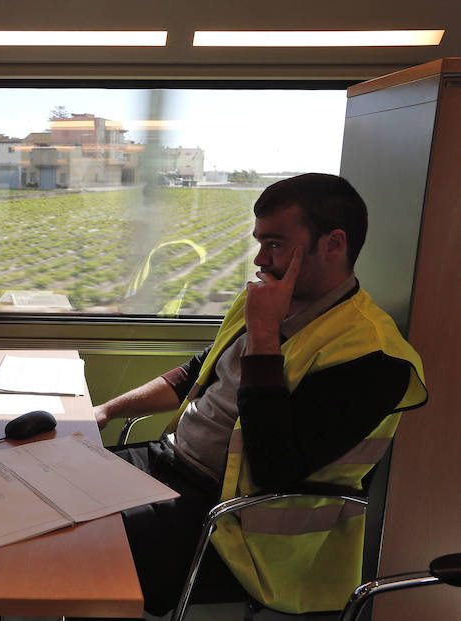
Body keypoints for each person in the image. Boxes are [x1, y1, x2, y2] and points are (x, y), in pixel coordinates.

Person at [95, 173, 427, 616]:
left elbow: (275, 468)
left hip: (236, 523)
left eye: (274, 243)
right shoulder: (263, 299)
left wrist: (265, 335)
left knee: (77, 541)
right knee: (50, 482)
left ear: (333, 244)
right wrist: (106, 410)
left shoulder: (373, 356)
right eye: (260, 242)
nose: (260, 258)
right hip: (170, 464)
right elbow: (198, 372)